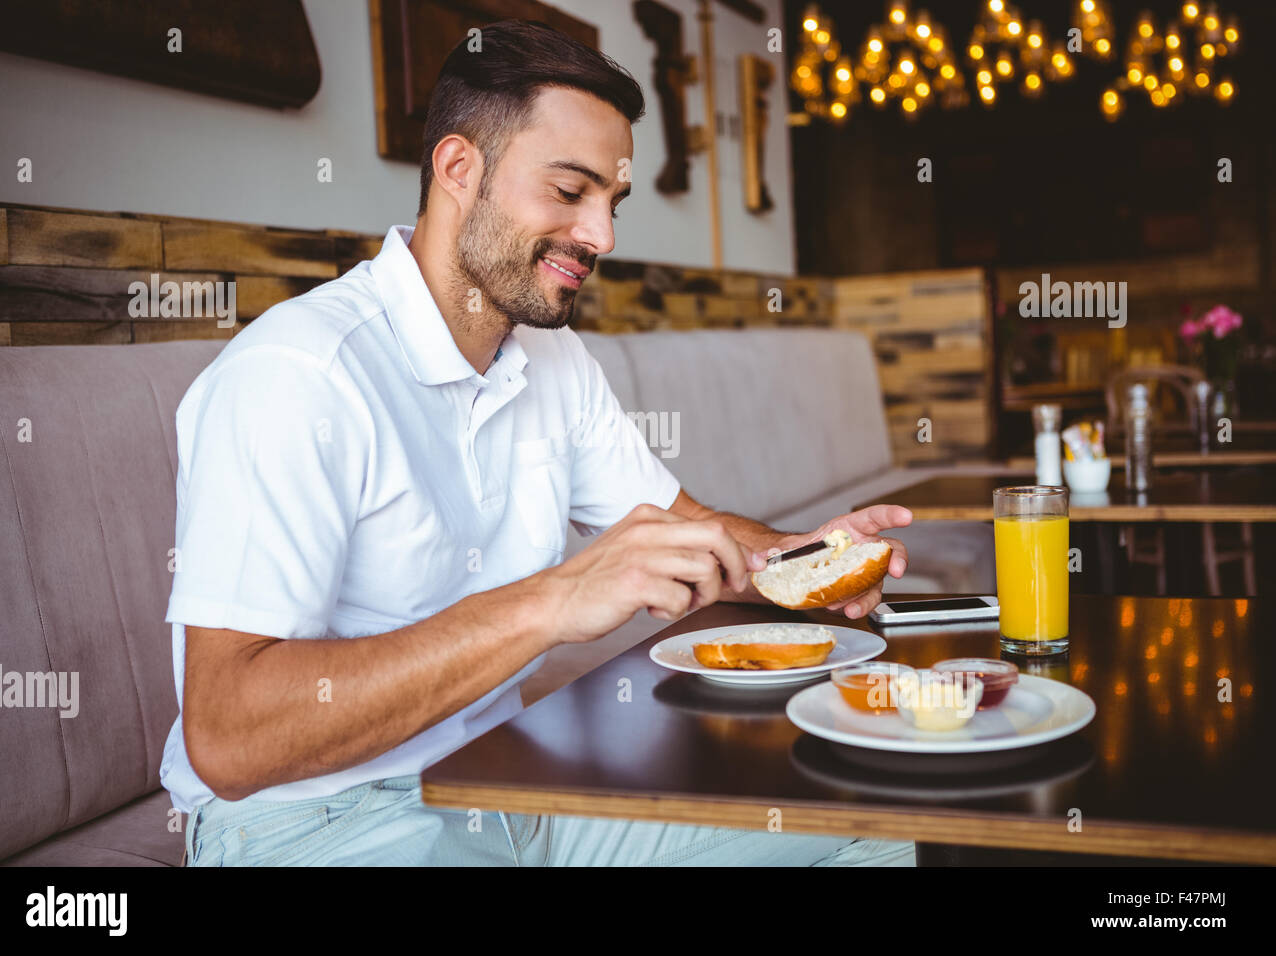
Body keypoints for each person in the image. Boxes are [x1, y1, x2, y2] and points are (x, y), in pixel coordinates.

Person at [165, 18, 916, 866]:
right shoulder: (298, 374)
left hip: (507, 786)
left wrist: (803, 561)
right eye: (570, 192)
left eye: (612, 202)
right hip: (317, 823)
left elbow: (683, 532)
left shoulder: (549, 356)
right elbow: (227, 740)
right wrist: (553, 601)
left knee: (879, 826)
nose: (603, 236)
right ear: (459, 169)